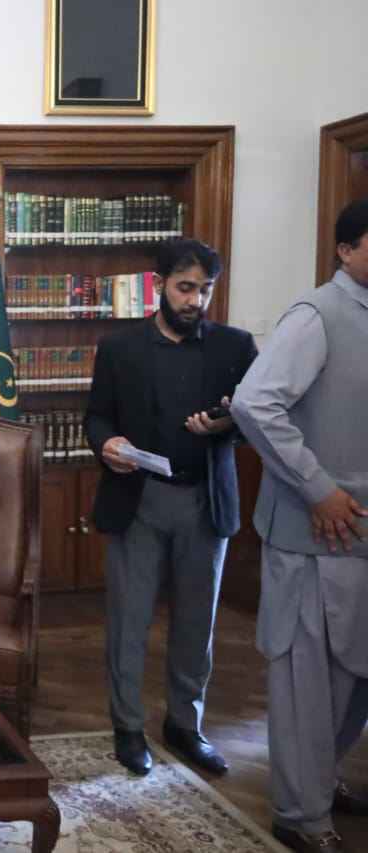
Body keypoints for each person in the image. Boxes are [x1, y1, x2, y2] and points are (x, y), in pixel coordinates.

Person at [83, 237, 257, 778]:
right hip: (138, 498)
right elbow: (97, 417)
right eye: (185, 288)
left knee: (196, 624)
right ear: (158, 285)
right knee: (129, 621)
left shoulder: (236, 347)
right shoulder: (119, 348)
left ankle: (185, 724)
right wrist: (106, 444)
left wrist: (228, 425)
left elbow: (259, 420)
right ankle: (128, 727)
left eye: (205, 290)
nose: (194, 300)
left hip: (205, 499)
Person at [230, 198, 368, 853]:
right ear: (346, 249)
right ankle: (300, 815)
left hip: (359, 541)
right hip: (315, 540)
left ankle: (318, 782)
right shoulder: (318, 314)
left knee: (354, 683)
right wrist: (319, 488)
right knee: (309, 683)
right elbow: (256, 404)